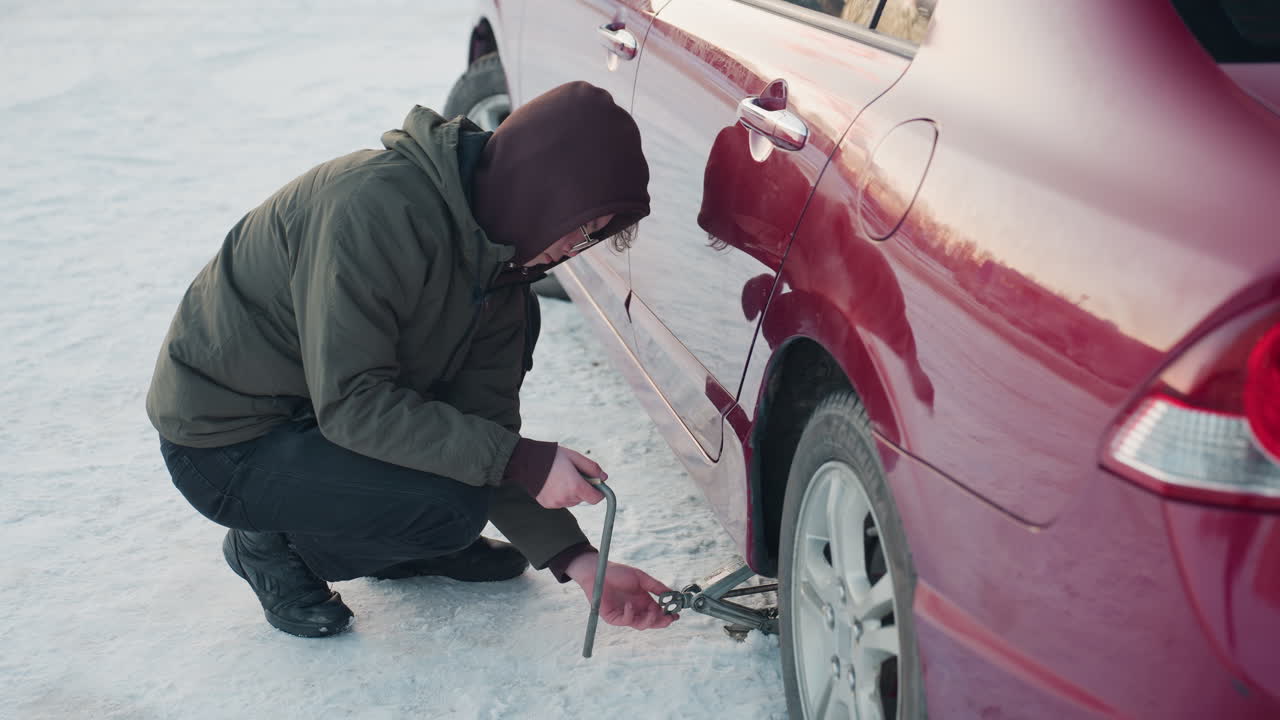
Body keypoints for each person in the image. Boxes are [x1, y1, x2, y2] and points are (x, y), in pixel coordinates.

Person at [147, 82, 678, 638]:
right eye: (579, 222)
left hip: (319, 418)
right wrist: (521, 461)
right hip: (228, 440)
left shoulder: (502, 275)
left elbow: (484, 433)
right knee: (447, 503)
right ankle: (269, 542)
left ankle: (401, 545)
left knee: (459, 487)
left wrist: (576, 559)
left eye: (593, 235)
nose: (574, 247)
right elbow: (353, 405)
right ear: (538, 186)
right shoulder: (371, 212)